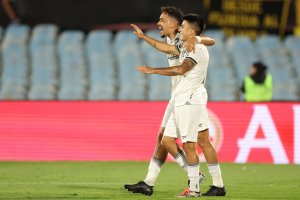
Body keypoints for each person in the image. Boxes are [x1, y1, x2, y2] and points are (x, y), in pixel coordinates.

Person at [124, 7, 225, 197]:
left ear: (174, 24)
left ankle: (193, 183)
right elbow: (165, 48)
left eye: (162, 20)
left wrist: (197, 38)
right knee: (166, 140)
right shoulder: (176, 42)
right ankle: (152, 182)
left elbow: (210, 41)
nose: (158, 23)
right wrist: (143, 37)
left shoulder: (188, 40)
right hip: (179, 96)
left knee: (184, 142)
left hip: (189, 98)